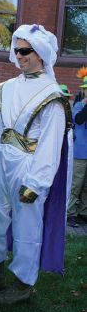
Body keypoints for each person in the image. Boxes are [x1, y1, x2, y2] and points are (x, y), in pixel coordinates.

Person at [0, 24, 72, 305]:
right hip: (1, 161)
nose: (19, 55)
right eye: (16, 50)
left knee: (27, 225)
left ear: (41, 53)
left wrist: (36, 182)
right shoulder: (7, 87)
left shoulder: (52, 94)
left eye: (25, 50)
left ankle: (22, 283)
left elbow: (50, 144)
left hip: (28, 165)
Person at [67, 69, 87, 227]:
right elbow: (79, 120)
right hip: (80, 152)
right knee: (76, 184)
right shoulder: (79, 106)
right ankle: (71, 213)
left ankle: (83, 212)